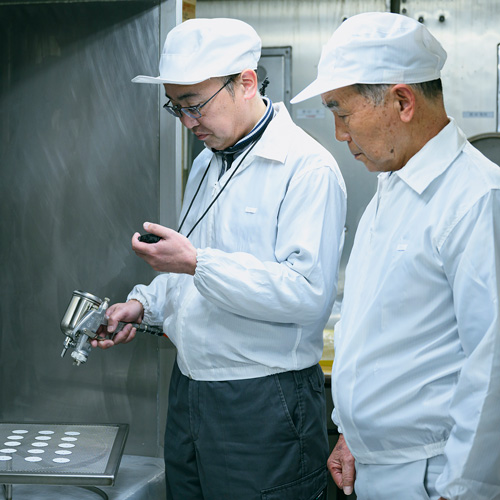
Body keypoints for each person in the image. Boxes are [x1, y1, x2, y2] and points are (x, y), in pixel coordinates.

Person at [92, 18, 347, 500]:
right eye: (176, 107)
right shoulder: (208, 161)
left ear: (246, 82)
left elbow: (307, 294)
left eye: (195, 105)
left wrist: (197, 263)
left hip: (263, 401)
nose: (188, 122)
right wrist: (145, 306)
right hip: (190, 390)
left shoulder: (307, 168)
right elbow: (189, 263)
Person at [291, 11, 500, 500]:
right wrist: (352, 433)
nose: (339, 134)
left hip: (433, 475)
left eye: (342, 113)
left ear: (402, 101)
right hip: (376, 466)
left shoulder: (476, 198)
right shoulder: (393, 187)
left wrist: (462, 491)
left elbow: (491, 367)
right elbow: (379, 327)